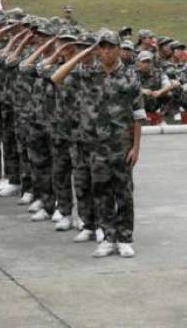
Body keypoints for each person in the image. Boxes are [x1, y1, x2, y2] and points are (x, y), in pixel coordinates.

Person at [52, 29, 146, 258]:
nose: (105, 51)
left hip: (121, 147)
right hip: (94, 147)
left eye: (110, 47)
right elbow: (57, 77)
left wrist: (136, 147)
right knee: (101, 193)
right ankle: (108, 237)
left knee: (123, 194)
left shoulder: (130, 77)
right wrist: (81, 53)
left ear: (118, 49)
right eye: (101, 47)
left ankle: (124, 238)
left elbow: (138, 115)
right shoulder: (88, 75)